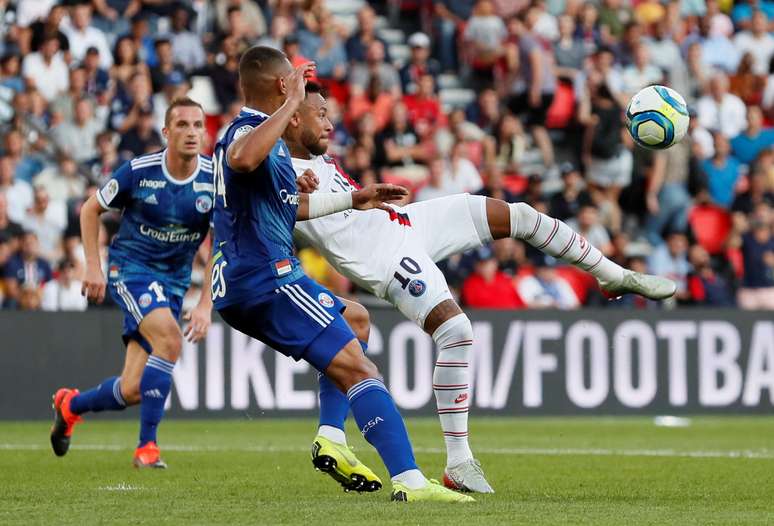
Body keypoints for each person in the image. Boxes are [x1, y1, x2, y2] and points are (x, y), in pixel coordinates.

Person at [286, 82, 678, 494]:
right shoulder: (280, 169)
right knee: (456, 331)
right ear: (294, 117)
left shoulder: (309, 154)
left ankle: (610, 274)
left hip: (404, 221)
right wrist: (299, 186)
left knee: (520, 215)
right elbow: (275, 198)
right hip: (383, 256)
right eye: (321, 114)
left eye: (329, 112)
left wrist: (295, 86)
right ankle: (458, 462)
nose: (331, 122)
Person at [210, 46, 470, 503]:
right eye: (291, 83)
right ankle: (410, 481)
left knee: (355, 321)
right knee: (359, 367)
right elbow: (242, 161)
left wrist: (354, 199)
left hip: (246, 279)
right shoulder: (248, 130)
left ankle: (331, 434)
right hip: (266, 277)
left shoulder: (254, 136)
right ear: (280, 86)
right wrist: (292, 104)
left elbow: (288, 208)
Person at [49, 98, 215, 469]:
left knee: (134, 389)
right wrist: (94, 265)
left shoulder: (213, 178)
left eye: (198, 125)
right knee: (170, 340)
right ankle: (147, 448)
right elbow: (91, 208)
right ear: (166, 132)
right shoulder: (139, 171)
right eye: (183, 125)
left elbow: (222, 243)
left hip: (173, 282)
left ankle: (70, 405)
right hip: (131, 270)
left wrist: (206, 303)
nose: (191, 132)